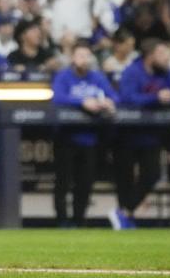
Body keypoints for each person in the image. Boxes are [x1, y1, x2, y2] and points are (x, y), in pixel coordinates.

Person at [110, 38, 170, 230]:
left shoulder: (166, 74)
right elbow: (127, 98)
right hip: (127, 134)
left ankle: (124, 212)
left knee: (152, 174)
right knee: (124, 178)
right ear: (150, 56)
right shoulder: (133, 71)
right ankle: (125, 218)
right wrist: (155, 98)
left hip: (151, 135)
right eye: (162, 54)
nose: (167, 58)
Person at [51, 42, 119, 228]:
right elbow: (58, 97)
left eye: (87, 55)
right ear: (72, 57)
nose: (83, 59)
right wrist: (82, 102)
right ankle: (62, 221)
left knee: (85, 183)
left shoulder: (96, 77)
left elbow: (114, 96)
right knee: (63, 182)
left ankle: (79, 220)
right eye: (80, 55)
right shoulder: (64, 76)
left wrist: (107, 102)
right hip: (66, 136)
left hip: (90, 137)